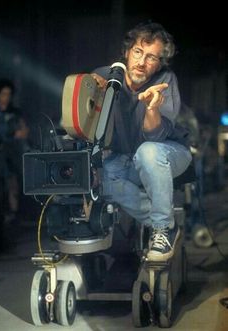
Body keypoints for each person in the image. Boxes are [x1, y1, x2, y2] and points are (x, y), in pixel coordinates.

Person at [91, 21, 192, 262]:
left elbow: (155, 136)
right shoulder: (107, 76)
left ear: (159, 64)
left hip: (169, 152)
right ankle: (166, 219)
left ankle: (162, 229)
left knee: (148, 152)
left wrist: (151, 108)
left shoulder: (165, 80)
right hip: (127, 158)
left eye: (151, 57)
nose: (142, 62)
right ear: (127, 52)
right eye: (138, 52)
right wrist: (88, 86)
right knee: (99, 180)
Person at [0, 79, 30, 224]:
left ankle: (13, 214)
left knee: (12, 183)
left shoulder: (14, 112)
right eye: (3, 94)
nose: (6, 97)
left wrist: (19, 134)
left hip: (11, 153)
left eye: (8, 94)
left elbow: (24, 130)